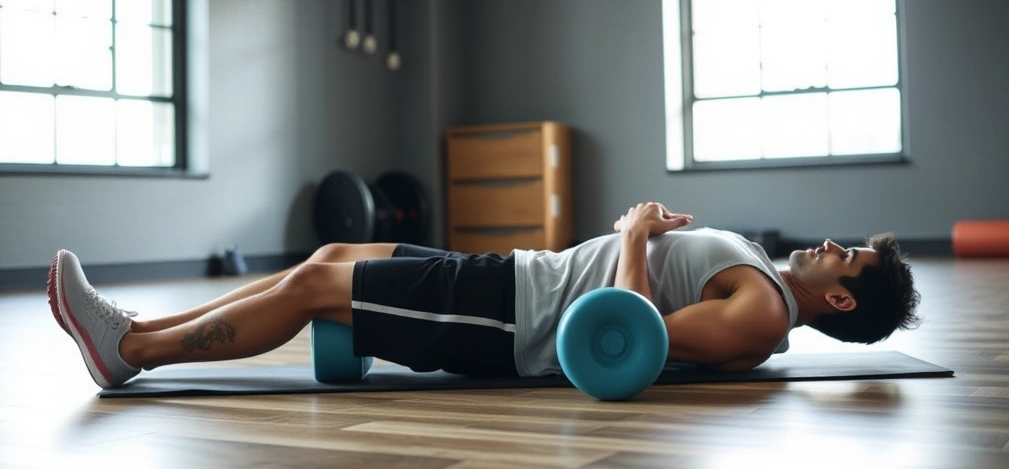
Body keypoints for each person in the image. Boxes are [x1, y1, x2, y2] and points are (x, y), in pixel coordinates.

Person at [48, 202, 922, 389]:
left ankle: (132, 353)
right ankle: (132, 331)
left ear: (841, 302)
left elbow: (636, 334)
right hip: (512, 277)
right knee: (334, 252)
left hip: (514, 320)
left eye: (849, 259)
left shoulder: (765, 313)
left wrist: (633, 234)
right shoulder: (763, 277)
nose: (833, 244)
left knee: (318, 284)